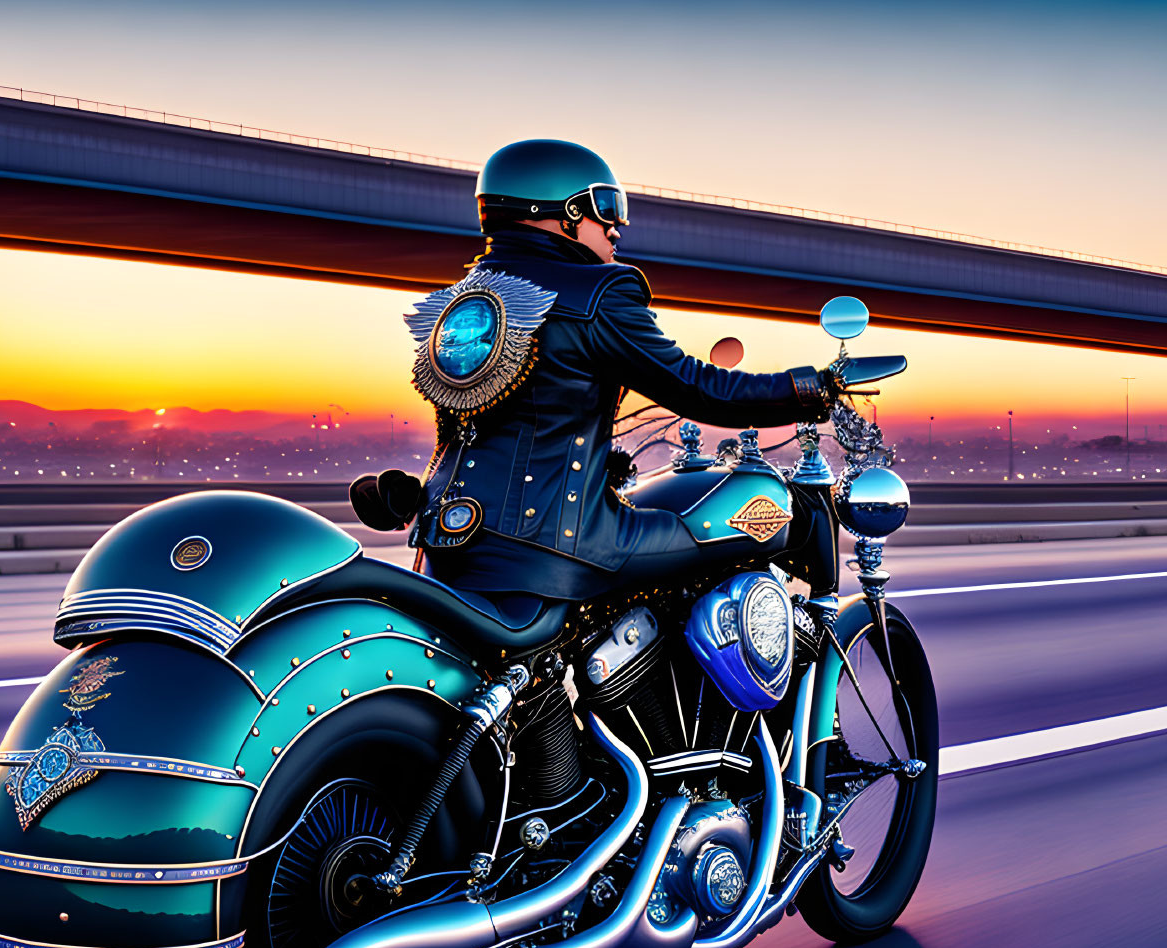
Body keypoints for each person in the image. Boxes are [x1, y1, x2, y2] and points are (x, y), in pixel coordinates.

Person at [350, 138, 837, 601]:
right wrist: (815, 388)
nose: (616, 228)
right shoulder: (597, 293)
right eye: (607, 207)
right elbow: (701, 388)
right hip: (561, 546)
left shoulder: (465, 300)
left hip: (448, 540)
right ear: (567, 214)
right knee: (757, 519)